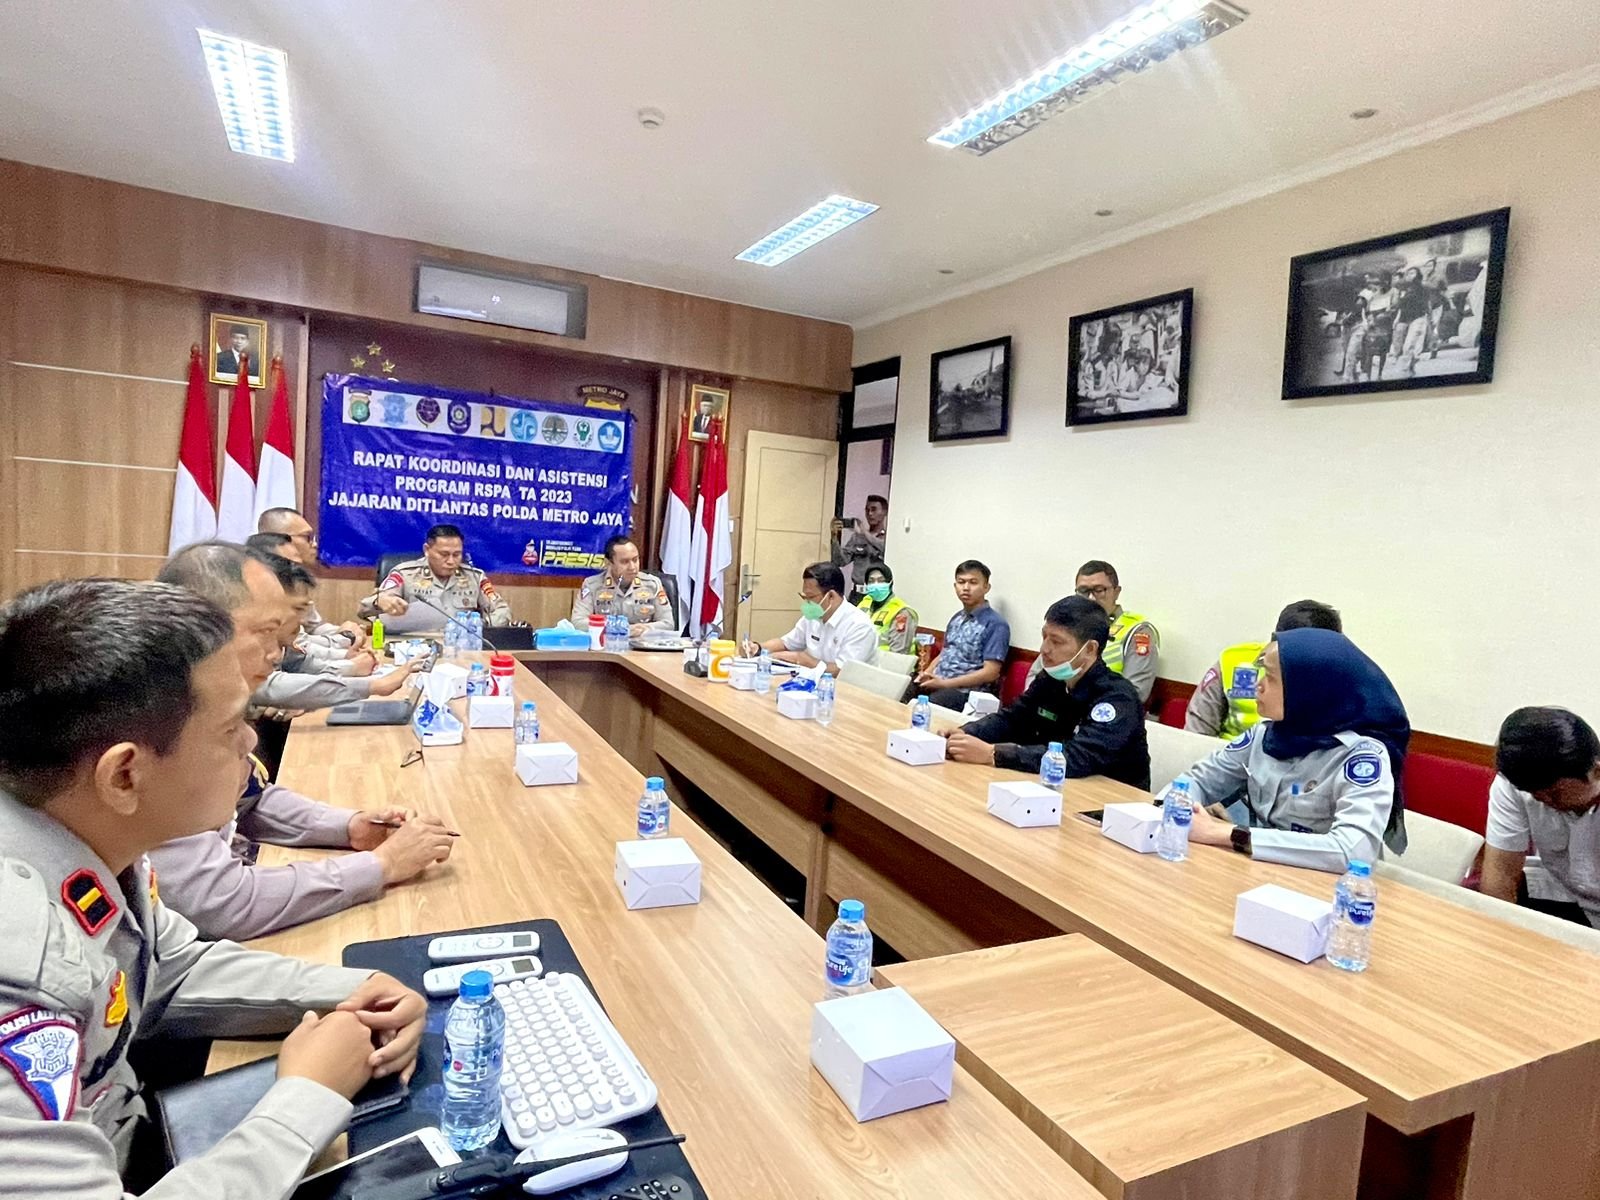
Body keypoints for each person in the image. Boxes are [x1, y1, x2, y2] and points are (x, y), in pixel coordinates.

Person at [0, 577, 427, 1195]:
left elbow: (170, 968)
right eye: (230, 728)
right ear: (124, 775)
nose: (252, 742)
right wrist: (306, 1100)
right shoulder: (17, 973)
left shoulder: (88, 839)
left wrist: (355, 990)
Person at [1183, 629, 1411, 873]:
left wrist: (1228, 834)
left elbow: (1352, 852)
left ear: (1307, 689)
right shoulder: (1265, 735)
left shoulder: (1361, 757)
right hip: (1258, 871)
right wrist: (1180, 806)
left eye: (1271, 677)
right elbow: (1198, 780)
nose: (1258, 685)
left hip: (1322, 886)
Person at [944, 596, 1149, 788]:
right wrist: (966, 732)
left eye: (1056, 641)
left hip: (1108, 798)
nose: (1044, 649)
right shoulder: (1051, 679)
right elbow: (1013, 718)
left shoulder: (1117, 698)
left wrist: (994, 754)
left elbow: (1078, 757)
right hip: (1051, 785)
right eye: (1044, 637)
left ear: (1089, 649)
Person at [1481, 708, 1600, 928]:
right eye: (1533, 793)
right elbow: (1500, 876)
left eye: (1555, 793)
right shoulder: (1515, 785)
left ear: (1597, 772)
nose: (1543, 801)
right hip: (1565, 895)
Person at [1186, 600, 1343, 739]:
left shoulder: (1343, 681)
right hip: (1227, 757)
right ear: (1275, 640)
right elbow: (1197, 734)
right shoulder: (1234, 662)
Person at [1027, 560, 1158, 704]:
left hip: (1106, 708)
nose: (1091, 598)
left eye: (1099, 590)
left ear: (1116, 592)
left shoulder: (1137, 631)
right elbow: (1035, 674)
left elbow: (1136, 692)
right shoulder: (1068, 625)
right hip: (1057, 707)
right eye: (1083, 591)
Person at [255, 507, 369, 649]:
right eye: (306, 537)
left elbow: (314, 626)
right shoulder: (261, 582)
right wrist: (347, 638)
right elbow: (298, 646)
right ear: (279, 539)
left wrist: (345, 631)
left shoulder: (295, 577)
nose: (314, 544)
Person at [360, 524, 511, 627]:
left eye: (457, 554)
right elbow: (363, 609)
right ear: (427, 550)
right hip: (416, 647)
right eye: (444, 554)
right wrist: (379, 601)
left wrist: (478, 627)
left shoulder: (475, 577)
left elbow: (502, 611)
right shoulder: (405, 574)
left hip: (462, 647)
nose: (451, 561)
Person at [742, 562, 877, 675]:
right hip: (815, 683)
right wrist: (758, 648)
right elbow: (787, 643)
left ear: (831, 596)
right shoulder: (814, 616)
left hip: (849, 691)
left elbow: (842, 671)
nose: (806, 603)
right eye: (804, 597)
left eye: (810, 597)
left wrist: (802, 660)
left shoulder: (859, 626)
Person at [914, 560, 1010, 710]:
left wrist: (944, 684)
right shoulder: (956, 618)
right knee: (903, 689)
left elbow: (990, 673)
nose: (966, 588)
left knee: (923, 708)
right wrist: (926, 673)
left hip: (965, 693)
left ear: (986, 587)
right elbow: (944, 653)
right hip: (939, 683)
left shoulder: (996, 624)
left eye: (973, 582)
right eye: (961, 582)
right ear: (955, 586)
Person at [570, 535, 675, 636]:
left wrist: (644, 629)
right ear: (608, 563)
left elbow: (668, 623)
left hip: (643, 645)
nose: (632, 567)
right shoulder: (592, 585)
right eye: (625, 562)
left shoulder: (652, 584)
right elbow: (578, 623)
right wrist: (619, 628)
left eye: (635, 560)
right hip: (608, 645)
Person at [830, 494, 888, 601]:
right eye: (867, 510)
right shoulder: (857, 538)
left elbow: (885, 549)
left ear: (884, 512)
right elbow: (839, 561)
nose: (870, 514)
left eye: (874, 509)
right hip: (857, 595)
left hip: (878, 595)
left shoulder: (889, 538)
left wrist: (865, 533)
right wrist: (834, 538)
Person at [857, 562, 918, 655]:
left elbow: (898, 654)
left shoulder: (902, 612)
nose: (876, 585)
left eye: (881, 581)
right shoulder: (865, 603)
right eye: (871, 581)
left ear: (890, 582)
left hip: (885, 662)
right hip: (860, 659)